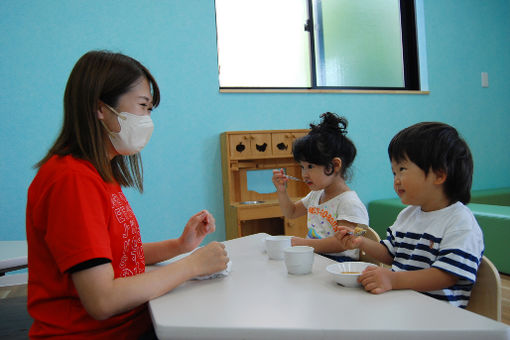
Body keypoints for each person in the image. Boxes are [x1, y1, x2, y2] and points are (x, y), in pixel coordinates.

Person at [25, 50, 229, 339]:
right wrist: (192, 265)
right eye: (143, 106)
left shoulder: (98, 173)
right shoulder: (72, 181)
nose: (147, 119)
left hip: (133, 324)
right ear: (101, 108)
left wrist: (180, 245)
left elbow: (112, 258)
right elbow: (102, 299)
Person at [335, 122, 484, 308]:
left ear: (439, 175)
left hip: (437, 316)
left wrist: (394, 280)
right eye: (393, 172)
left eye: (402, 170)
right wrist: (360, 241)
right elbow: (390, 254)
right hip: (403, 305)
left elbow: (446, 275)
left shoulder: (460, 221)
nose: (396, 180)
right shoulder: (408, 215)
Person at [272, 112, 369, 262]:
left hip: (339, 264)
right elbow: (291, 212)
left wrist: (305, 244)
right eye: (302, 167)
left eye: (310, 166)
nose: (304, 174)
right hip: (317, 258)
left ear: (335, 165)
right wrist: (281, 191)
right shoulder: (316, 195)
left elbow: (342, 243)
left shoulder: (349, 203)